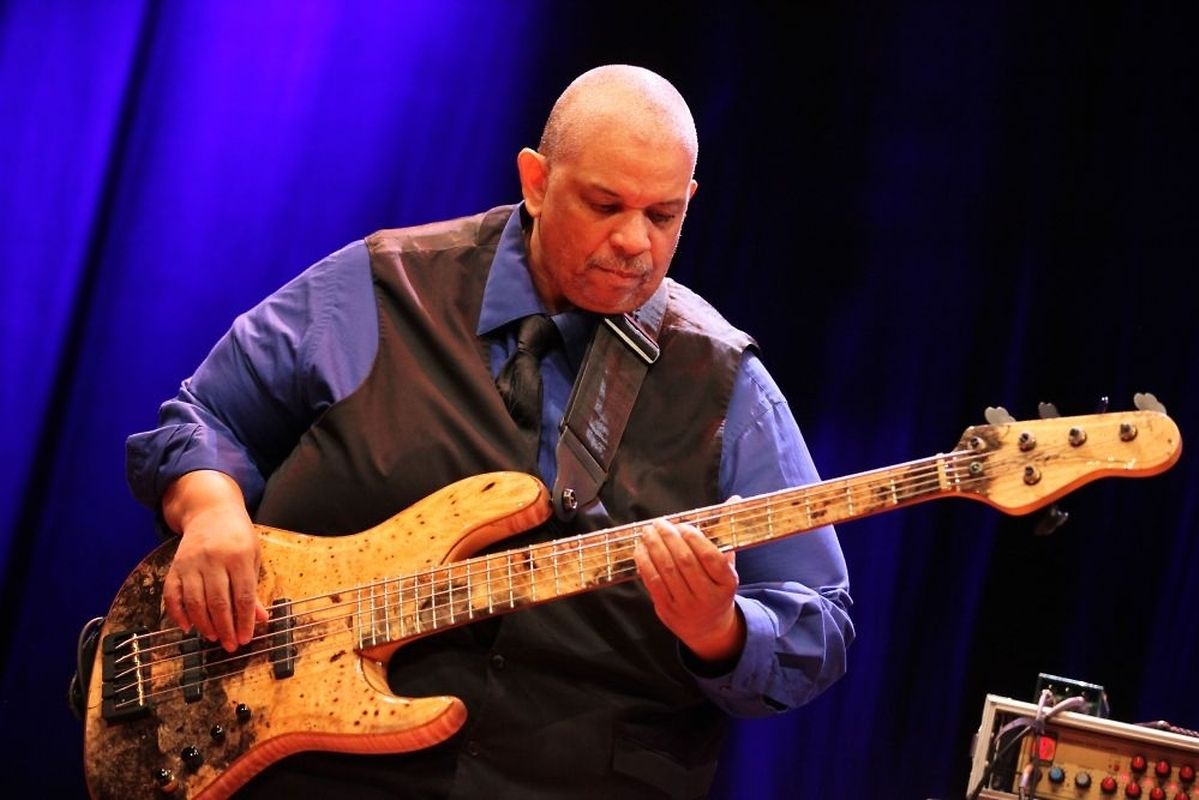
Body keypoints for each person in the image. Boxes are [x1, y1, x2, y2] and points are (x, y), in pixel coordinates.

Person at [126, 64, 854, 799]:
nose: (635, 240)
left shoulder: (726, 383)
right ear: (536, 181)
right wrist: (209, 508)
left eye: (662, 215)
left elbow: (817, 625)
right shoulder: (385, 286)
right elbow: (206, 417)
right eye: (605, 205)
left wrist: (719, 628)